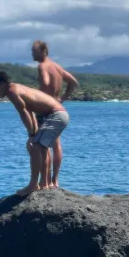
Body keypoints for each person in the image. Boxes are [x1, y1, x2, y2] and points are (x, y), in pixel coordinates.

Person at [0, 71, 70, 196]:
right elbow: (29, 112)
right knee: (41, 147)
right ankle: (44, 183)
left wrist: (32, 135)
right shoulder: (17, 89)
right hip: (58, 114)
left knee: (37, 146)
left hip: (56, 115)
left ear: (2, 84)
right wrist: (32, 133)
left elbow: (23, 113)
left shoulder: (12, 92)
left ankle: (33, 185)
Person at [31, 40, 79, 189]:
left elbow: (45, 82)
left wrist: (38, 97)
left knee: (43, 145)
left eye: (34, 50)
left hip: (46, 108)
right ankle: (54, 181)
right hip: (57, 107)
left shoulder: (42, 66)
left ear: (43, 51)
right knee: (56, 144)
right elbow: (73, 82)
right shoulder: (57, 67)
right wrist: (62, 99)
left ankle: (44, 181)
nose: (32, 53)